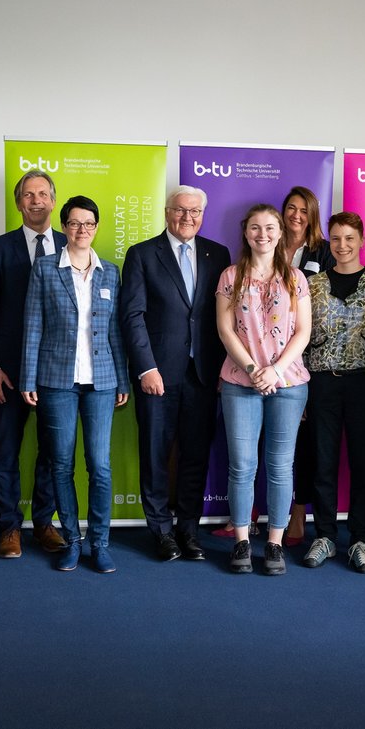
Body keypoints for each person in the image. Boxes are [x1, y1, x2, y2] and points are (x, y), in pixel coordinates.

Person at [120, 185, 230, 562]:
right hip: (158, 376)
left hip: (203, 375)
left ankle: (188, 530)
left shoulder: (219, 255)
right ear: (167, 213)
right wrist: (146, 368)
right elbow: (132, 316)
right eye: (181, 211)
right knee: (155, 454)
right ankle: (161, 532)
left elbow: (223, 318)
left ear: (203, 215)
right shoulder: (142, 254)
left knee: (195, 456)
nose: (188, 218)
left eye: (195, 212)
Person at [21, 196, 129, 574]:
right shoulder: (46, 268)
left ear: (96, 228)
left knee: (99, 465)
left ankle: (99, 543)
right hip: (55, 380)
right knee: (61, 464)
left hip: (100, 381)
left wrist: (122, 378)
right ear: (64, 227)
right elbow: (33, 324)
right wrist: (27, 377)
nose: (82, 230)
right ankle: (72, 540)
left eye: (88, 223)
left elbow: (116, 330)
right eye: (74, 223)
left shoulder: (110, 272)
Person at [217, 204, 312, 575]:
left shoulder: (295, 278)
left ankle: (274, 543)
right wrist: (256, 369)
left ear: (279, 232)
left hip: (288, 383)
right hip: (241, 382)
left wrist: (275, 370)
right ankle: (242, 539)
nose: (263, 234)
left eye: (270, 227)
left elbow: (303, 331)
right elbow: (225, 330)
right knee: (242, 465)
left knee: (279, 465)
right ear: (246, 232)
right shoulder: (229, 276)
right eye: (255, 228)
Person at [0, 171, 67, 559]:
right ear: (18, 203)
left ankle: (44, 523)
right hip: (9, 370)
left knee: (52, 451)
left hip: (59, 371)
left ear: (53, 200)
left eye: (43, 194)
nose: (36, 201)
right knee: (6, 449)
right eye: (28, 195)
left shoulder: (71, 245)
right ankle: (9, 526)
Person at [301, 212, 365, 573]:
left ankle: (359, 540)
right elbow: (300, 337)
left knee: (362, 464)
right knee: (322, 461)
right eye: (335, 238)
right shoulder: (312, 285)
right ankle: (324, 536)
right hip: (322, 381)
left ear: (361, 240)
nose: (342, 245)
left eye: (349, 238)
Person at [279, 185, 335, 546]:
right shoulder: (268, 243)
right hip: (267, 354)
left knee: (304, 441)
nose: (296, 215)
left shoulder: (324, 252)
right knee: (270, 439)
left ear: (312, 214)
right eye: (291, 208)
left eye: (304, 209)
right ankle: (256, 513)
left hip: (309, 356)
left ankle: (298, 512)